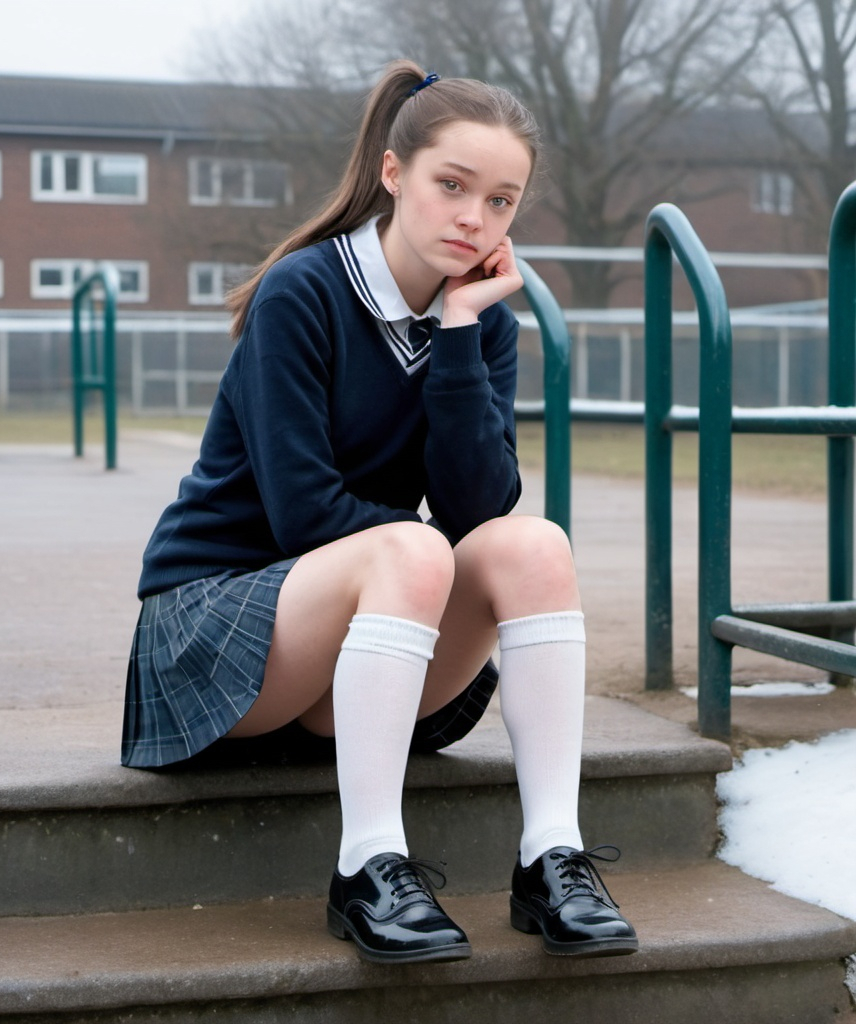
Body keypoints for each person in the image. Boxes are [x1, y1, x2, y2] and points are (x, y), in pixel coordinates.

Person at [122, 58, 638, 965]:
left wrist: (459, 332)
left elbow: (482, 508)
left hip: (361, 646)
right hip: (215, 631)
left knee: (535, 547)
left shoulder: (481, 321)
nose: (475, 218)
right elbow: (301, 513)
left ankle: (550, 855)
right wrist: (423, 554)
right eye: (453, 186)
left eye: (502, 201)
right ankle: (368, 867)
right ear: (395, 176)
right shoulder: (303, 292)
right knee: (411, 548)